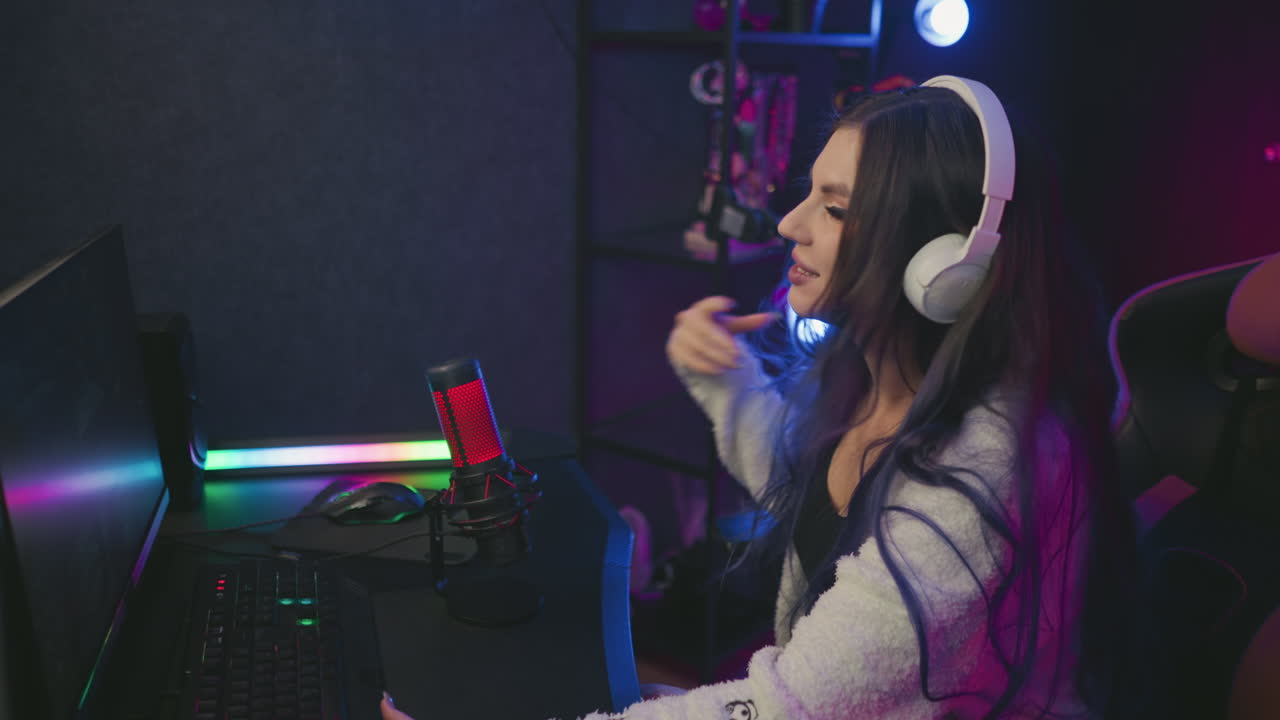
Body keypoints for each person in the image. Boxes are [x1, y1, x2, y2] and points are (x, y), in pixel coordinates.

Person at [380, 76, 1136, 719]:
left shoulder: (985, 465)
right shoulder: (868, 377)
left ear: (947, 261)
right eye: (810, 193)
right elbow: (803, 487)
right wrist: (724, 374)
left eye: (835, 209)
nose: (789, 224)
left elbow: (788, 705)